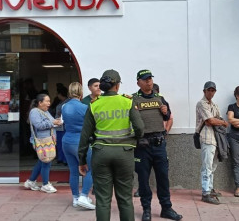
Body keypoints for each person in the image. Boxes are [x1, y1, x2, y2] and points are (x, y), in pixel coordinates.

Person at [78, 69, 144, 221]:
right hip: (124, 153)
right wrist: (134, 140)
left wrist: (81, 160)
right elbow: (140, 128)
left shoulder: (94, 105)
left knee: (102, 200)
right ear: (117, 85)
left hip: (101, 153)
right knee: (125, 199)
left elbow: (85, 135)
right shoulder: (127, 101)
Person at [133, 69, 182, 221]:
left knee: (163, 178)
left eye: (150, 79)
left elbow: (167, 116)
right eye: (145, 79)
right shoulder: (133, 100)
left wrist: (166, 112)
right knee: (143, 179)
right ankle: (146, 209)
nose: (149, 81)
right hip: (142, 146)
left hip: (159, 144)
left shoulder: (160, 98)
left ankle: (166, 208)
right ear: (138, 82)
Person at [61, 82, 95, 209]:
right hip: (81, 142)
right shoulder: (85, 107)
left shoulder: (64, 106)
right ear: (81, 93)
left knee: (73, 171)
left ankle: (75, 197)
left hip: (66, 141)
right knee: (91, 169)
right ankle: (84, 196)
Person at [196, 81, 228, 205]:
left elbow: (217, 119)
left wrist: (218, 121)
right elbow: (210, 121)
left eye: (213, 90)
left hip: (216, 138)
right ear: (204, 91)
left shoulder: (214, 105)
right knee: (207, 166)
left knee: (213, 165)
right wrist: (223, 123)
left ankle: (210, 188)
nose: (211, 92)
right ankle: (205, 193)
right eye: (209, 90)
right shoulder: (201, 103)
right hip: (207, 137)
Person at [24, 93, 62, 193]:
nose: (49, 103)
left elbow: (51, 121)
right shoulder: (34, 112)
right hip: (42, 141)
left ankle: (31, 181)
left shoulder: (44, 111)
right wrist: (53, 123)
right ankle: (45, 184)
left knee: (42, 161)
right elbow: (39, 125)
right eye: (47, 101)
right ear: (40, 103)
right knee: (46, 161)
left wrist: (57, 121)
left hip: (48, 140)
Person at [55, 85, 69, 165]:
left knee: (63, 143)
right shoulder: (61, 102)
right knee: (59, 143)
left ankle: (65, 159)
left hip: (63, 126)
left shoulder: (67, 103)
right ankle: (60, 158)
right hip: (59, 126)